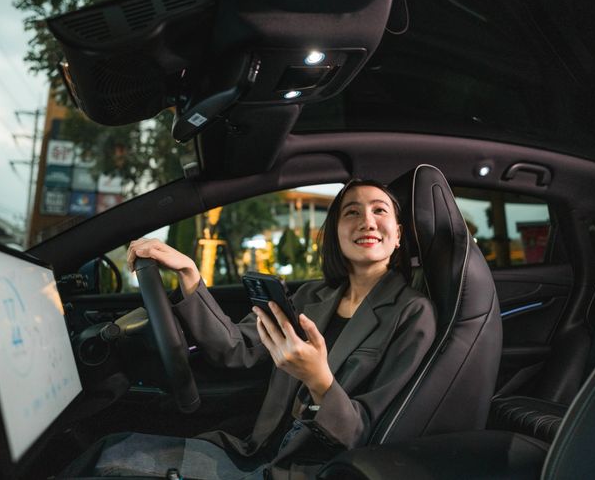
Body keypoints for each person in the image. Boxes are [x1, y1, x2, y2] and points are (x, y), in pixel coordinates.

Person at [65, 179, 436, 479]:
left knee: (107, 464)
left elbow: (368, 435)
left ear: (399, 235)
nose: (367, 221)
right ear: (336, 233)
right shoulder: (312, 295)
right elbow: (235, 349)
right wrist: (189, 275)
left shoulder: (412, 314)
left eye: (379, 211)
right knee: (109, 451)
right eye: (351, 212)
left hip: (311, 470)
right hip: (253, 450)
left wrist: (318, 380)